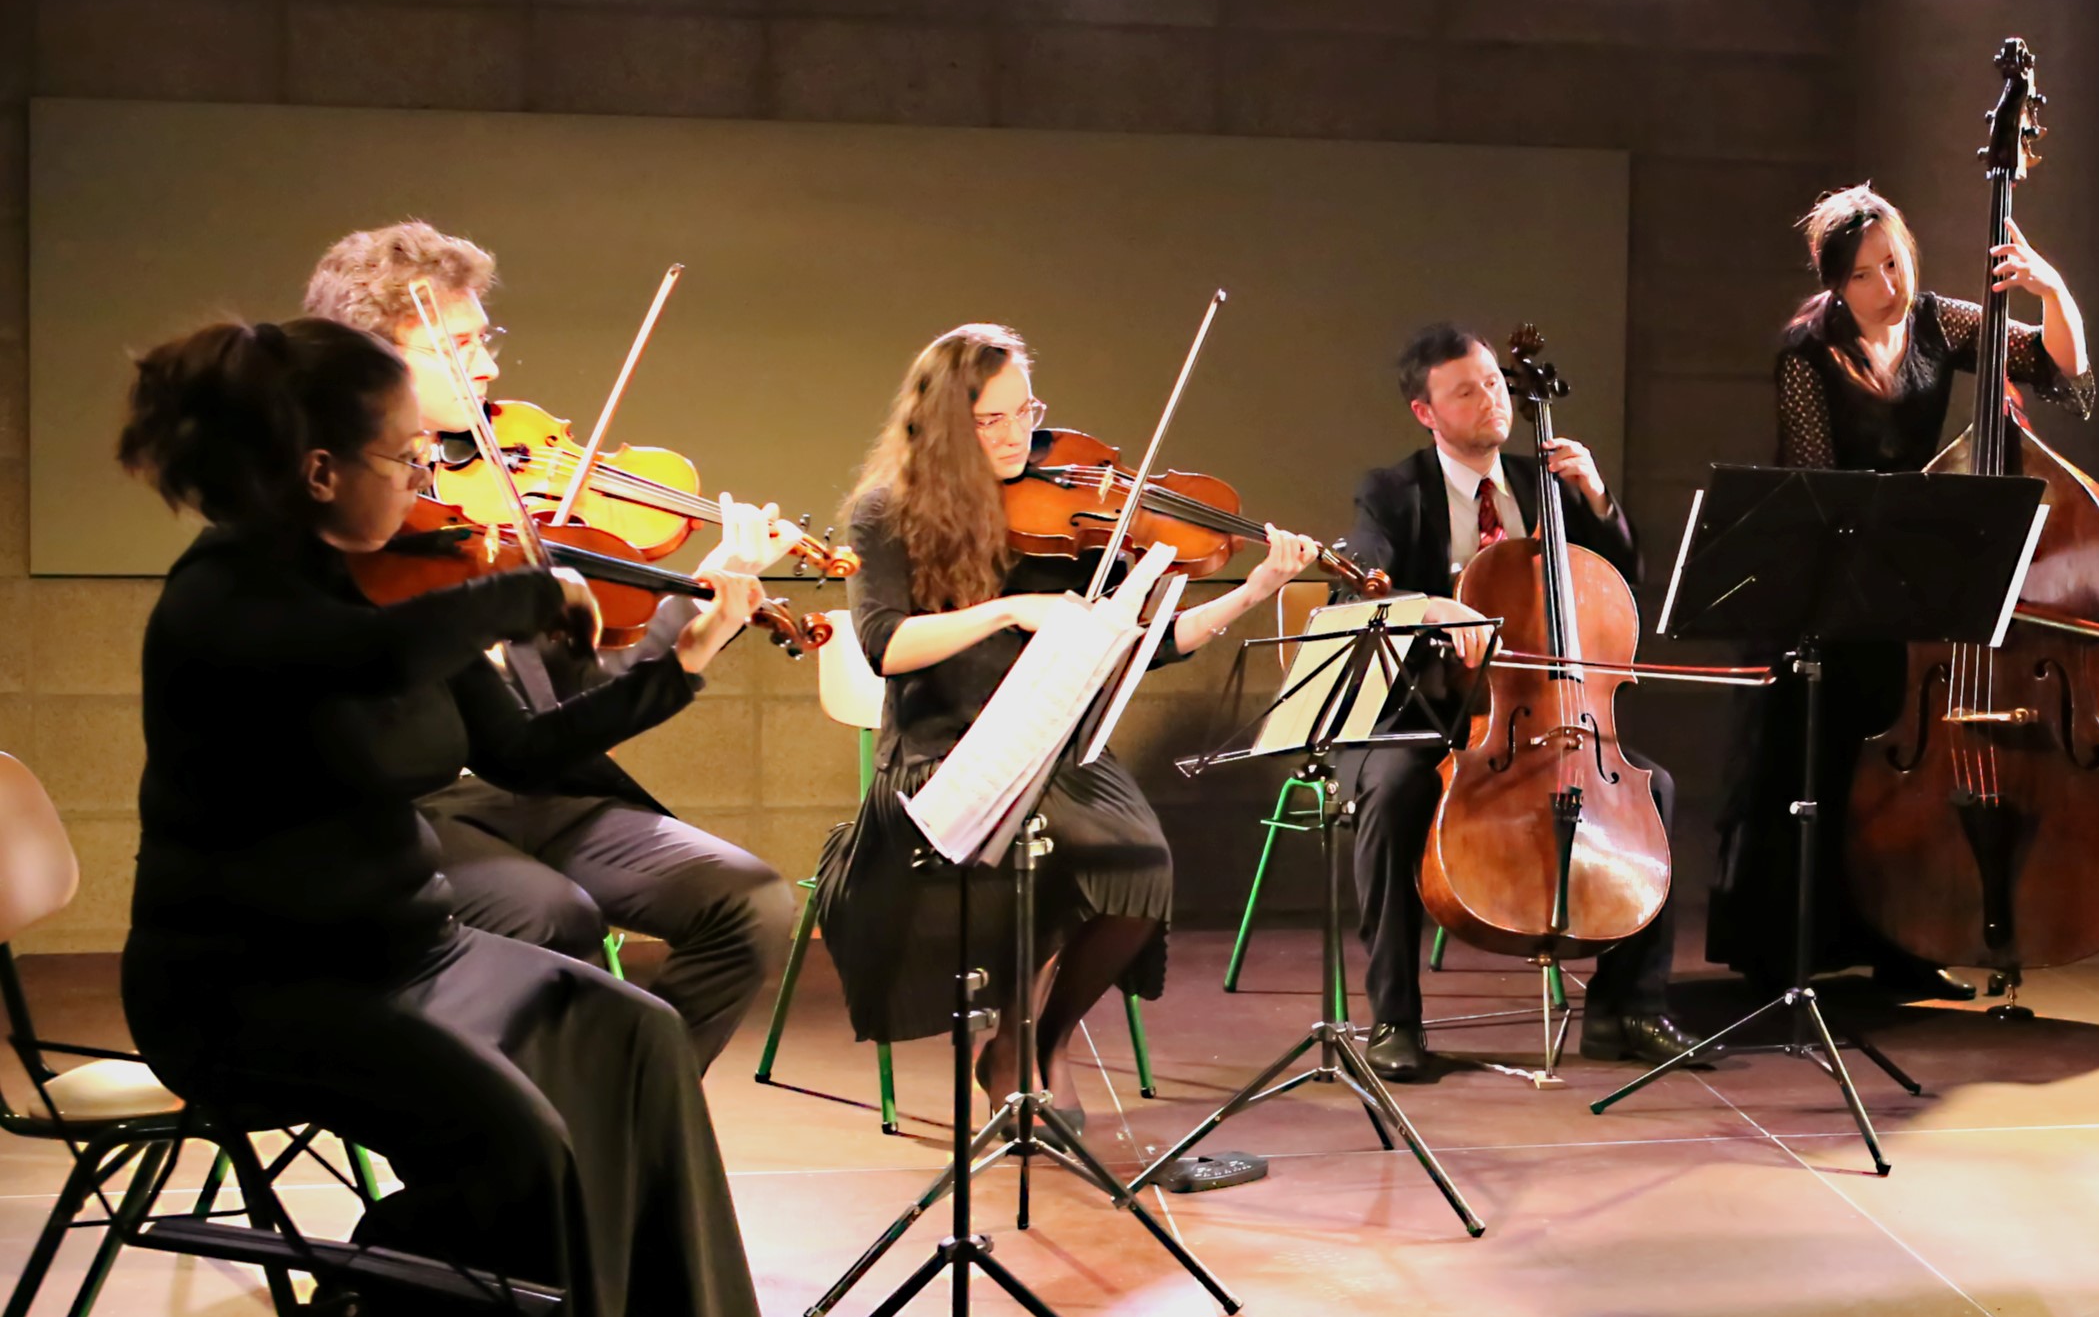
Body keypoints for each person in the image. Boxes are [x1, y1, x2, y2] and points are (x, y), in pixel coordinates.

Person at [115, 317, 797, 1317]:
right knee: (516, 1149)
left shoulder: (383, 580)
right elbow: (358, 662)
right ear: (320, 470)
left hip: (410, 950)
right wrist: (526, 586)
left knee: (635, 1035)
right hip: (255, 987)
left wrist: (680, 658)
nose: (426, 477)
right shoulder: (223, 600)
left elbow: (527, 748)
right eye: (406, 456)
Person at [303, 220, 800, 1071]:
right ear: (372, 366)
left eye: (483, 339)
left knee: (752, 901)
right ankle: (568, 1133)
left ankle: (633, 1106)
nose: (488, 366)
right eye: (456, 345)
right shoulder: (336, 515)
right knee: (550, 914)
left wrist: (697, 621)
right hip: (402, 812)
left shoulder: (493, 512)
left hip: (530, 786)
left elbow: (562, 721)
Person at [823, 322, 1315, 1124]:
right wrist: (1009, 608)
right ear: (946, 423)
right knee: (1050, 853)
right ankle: (1013, 1036)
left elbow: (1146, 646)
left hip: (1058, 742)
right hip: (946, 749)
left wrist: (1253, 590)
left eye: (1027, 412)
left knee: (1143, 866)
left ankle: (1037, 1040)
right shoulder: (889, 511)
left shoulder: (1068, 511)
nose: (1020, 435)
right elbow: (885, 646)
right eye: (993, 420)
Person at [1706, 183, 2097, 1004]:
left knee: (1899, 771)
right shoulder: (1807, 350)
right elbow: (1817, 478)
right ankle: (1793, 953)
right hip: (1834, 581)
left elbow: (2058, 366)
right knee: (1815, 760)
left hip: (1908, 582)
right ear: (1835, 284)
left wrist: (2051, 288)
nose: (1890, 287)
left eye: (1895, 263)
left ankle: (1905, 946)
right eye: (1866, 275)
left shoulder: (1937, 322)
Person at [1340, 323, 1699, 1082]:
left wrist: (1598, 498)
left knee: (1654, 789)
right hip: (1421, 714)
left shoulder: (1547, 486)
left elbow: (1620, 583)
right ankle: (1394, 1019)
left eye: (1495, 385)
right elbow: (1361, 579)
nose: (1490, 400)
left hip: (1543, 715)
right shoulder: (1393, 491)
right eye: (1465, 390)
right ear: (1425, 412)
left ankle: (1627, 1007)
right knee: (1392, 793)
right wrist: (1436, 609)